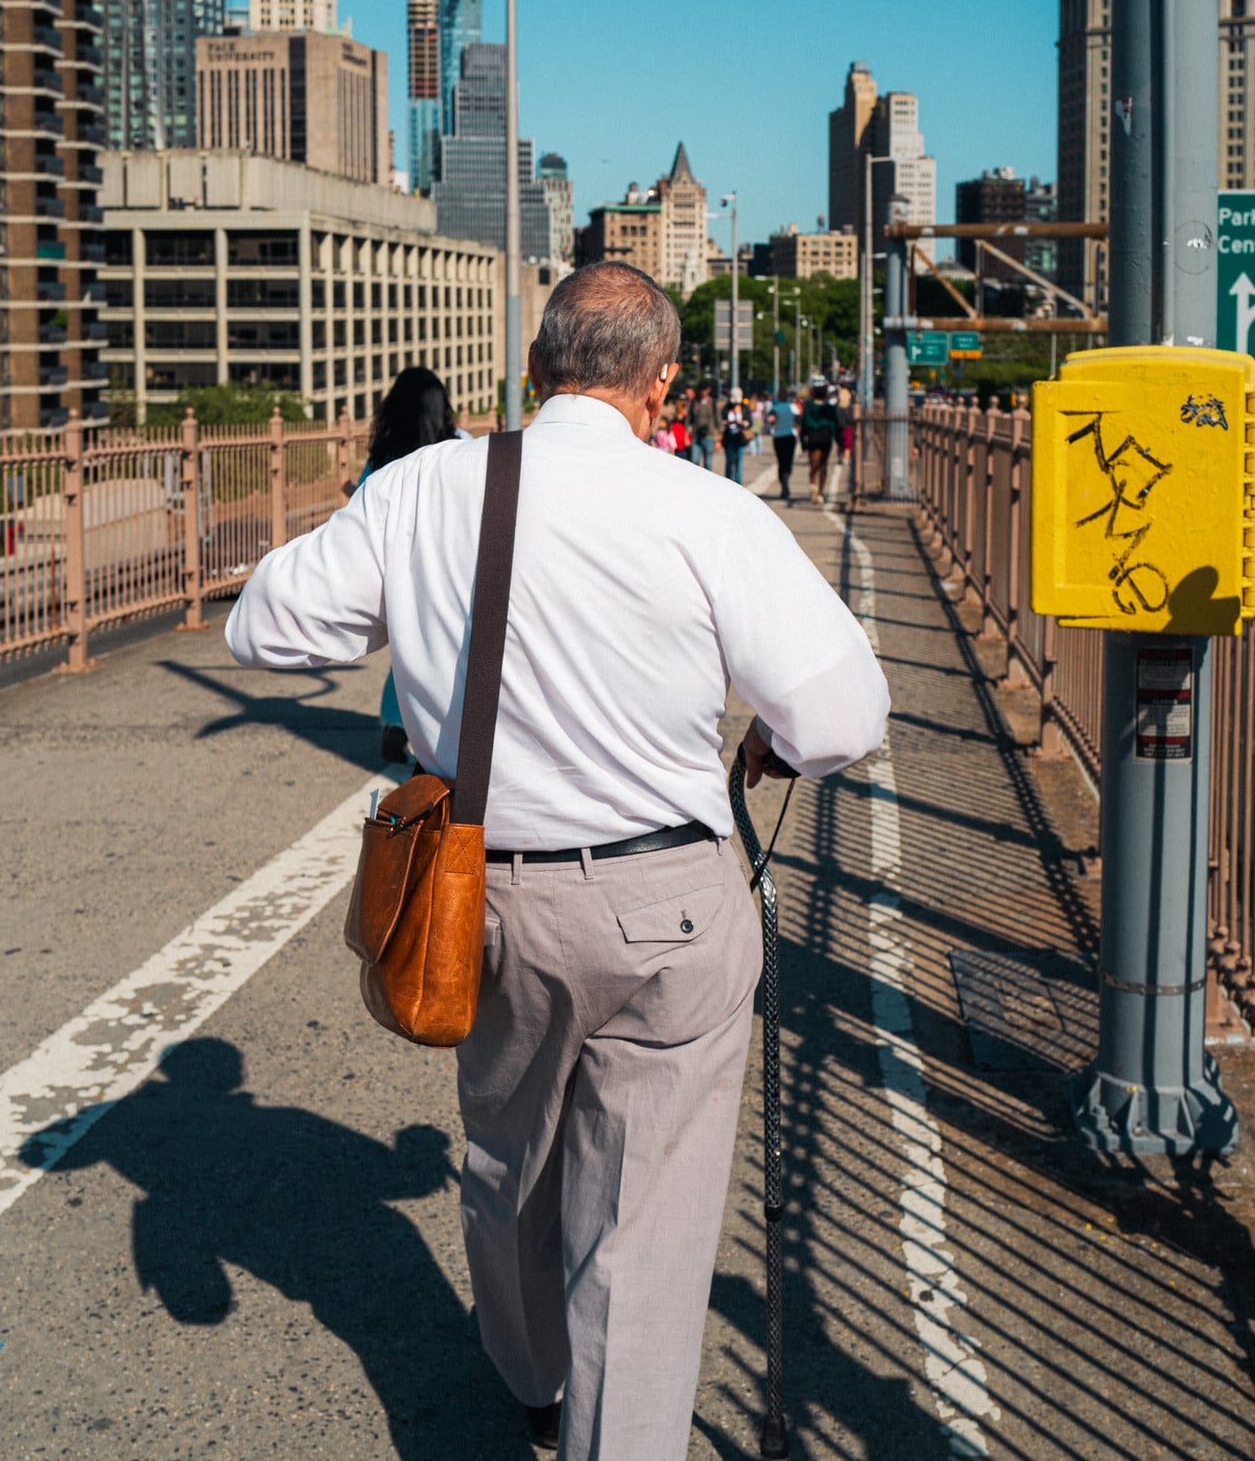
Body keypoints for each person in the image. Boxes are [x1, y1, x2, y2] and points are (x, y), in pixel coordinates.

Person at [225, 260, 888, 1461]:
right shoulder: (707, 510)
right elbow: (839, 718)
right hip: (671, 901)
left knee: (505, 1155)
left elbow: (265, 624)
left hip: (488, 899)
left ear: (534, 373)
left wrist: (411, 595)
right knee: (642, 1223)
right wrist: (766, 748)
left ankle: (530, 1375)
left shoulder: (425, 487)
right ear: (661, 386)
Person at [347, 365, 460, 762]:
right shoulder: (460, 445)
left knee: (407, 649)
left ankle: (398, 723)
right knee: (449, 650)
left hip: (401, 569)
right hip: (452, 566)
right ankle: (437, 731)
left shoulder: (384, 456)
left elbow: (360, 510)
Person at [799, 374, 838, 504]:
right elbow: (834, 424)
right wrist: (838, 440)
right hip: (826, 437)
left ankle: (813, 487)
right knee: (823, 465)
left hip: (813, 437)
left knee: (813, 464)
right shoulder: (830, 407)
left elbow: (804, 423)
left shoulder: (809, 406)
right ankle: (820, 492)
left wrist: (802, 440)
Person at [768, 387, 798, 502]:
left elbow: (770, 420)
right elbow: (798, 420)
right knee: (788, 461)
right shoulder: (792, 406)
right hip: (790, 437)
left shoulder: (775, 408)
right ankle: (786, 477)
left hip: (778, 437)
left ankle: (783, 483)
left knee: (780, 461)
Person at [720, 386, 750, 484]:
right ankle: (728, 481)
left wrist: (740, 419)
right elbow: (721, 421)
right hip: (729, 437)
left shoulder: (745, 408)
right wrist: (728, 422)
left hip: (740, 437)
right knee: (729, 462)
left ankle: (738, 482)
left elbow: (749, 422)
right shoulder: (726, 408)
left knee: (739, 462)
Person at [686, 384, 717, 469]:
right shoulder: (694, 402)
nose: (703, 391)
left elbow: (718, 420)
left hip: (709, 436)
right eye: (701, 389)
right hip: (696, 435)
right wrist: (686, 435)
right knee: (694, 461)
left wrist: (718, 439)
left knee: (708, 463)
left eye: (705, 389)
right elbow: (688, 419)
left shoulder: (712, 402)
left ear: (708, 390)